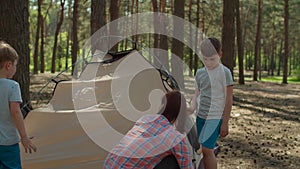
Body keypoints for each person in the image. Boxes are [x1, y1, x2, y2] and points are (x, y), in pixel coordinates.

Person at [104, 91, 194, 169]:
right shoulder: (176, 138)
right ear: (180, 115)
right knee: (172, 161)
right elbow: (187, 166)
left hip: (108, 164)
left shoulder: (145, 119)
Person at [187, 38, 233, 169]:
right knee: (204, 148)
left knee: (207, 150)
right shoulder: (200, 73)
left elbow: (228, 99)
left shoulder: (225, 73)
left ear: (220, 54)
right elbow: (197, 94)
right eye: (205, 59)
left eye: (212, 59)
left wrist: (225, 122)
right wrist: (191, 108)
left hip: (215, 117)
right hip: (201, 116)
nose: (209, 63)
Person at [0, 41, 37, 169]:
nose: (16, 68)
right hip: (8, 142)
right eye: (15, 65)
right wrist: (24, 137)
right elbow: (15, 112)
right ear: (8, 65)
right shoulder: (12, 86)